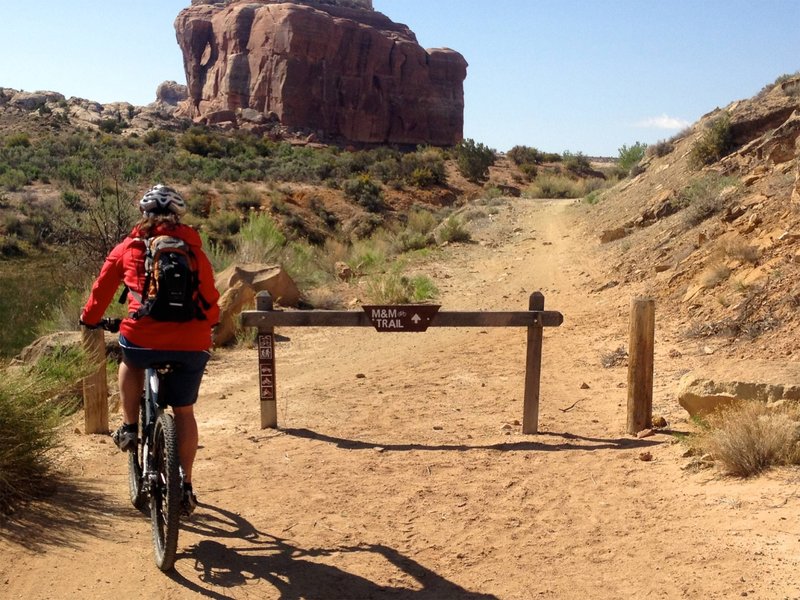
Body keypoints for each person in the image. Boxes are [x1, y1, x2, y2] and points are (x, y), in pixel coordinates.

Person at [80, 184, 220, 516]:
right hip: (192, 343)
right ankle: (184, 485)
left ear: (144, 215)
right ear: (177, 218)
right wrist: (205, 328)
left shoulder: (129, 247)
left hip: (142, 337)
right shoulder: (194, 251)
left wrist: (89, 319)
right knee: (184, 412)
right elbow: (212, 301)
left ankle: (130, 427)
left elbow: (102, 290)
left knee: (130, 357)